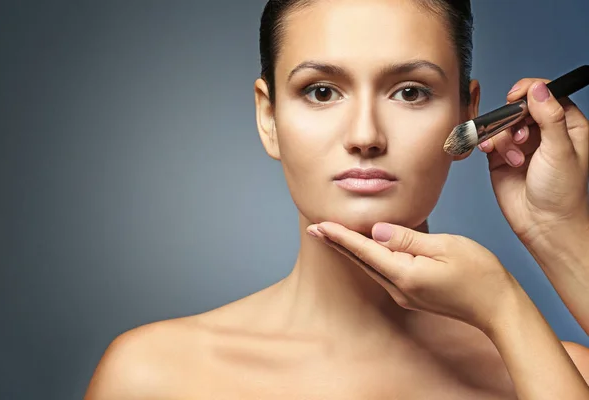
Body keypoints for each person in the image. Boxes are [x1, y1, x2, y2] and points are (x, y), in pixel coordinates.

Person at [84, 0, 589, 398]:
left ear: (470, 117)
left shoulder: (558, 371)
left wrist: (557, 231)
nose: (365, 135)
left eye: (410, 92)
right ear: (269, 118)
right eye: (321, 92)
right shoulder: (152, 378)